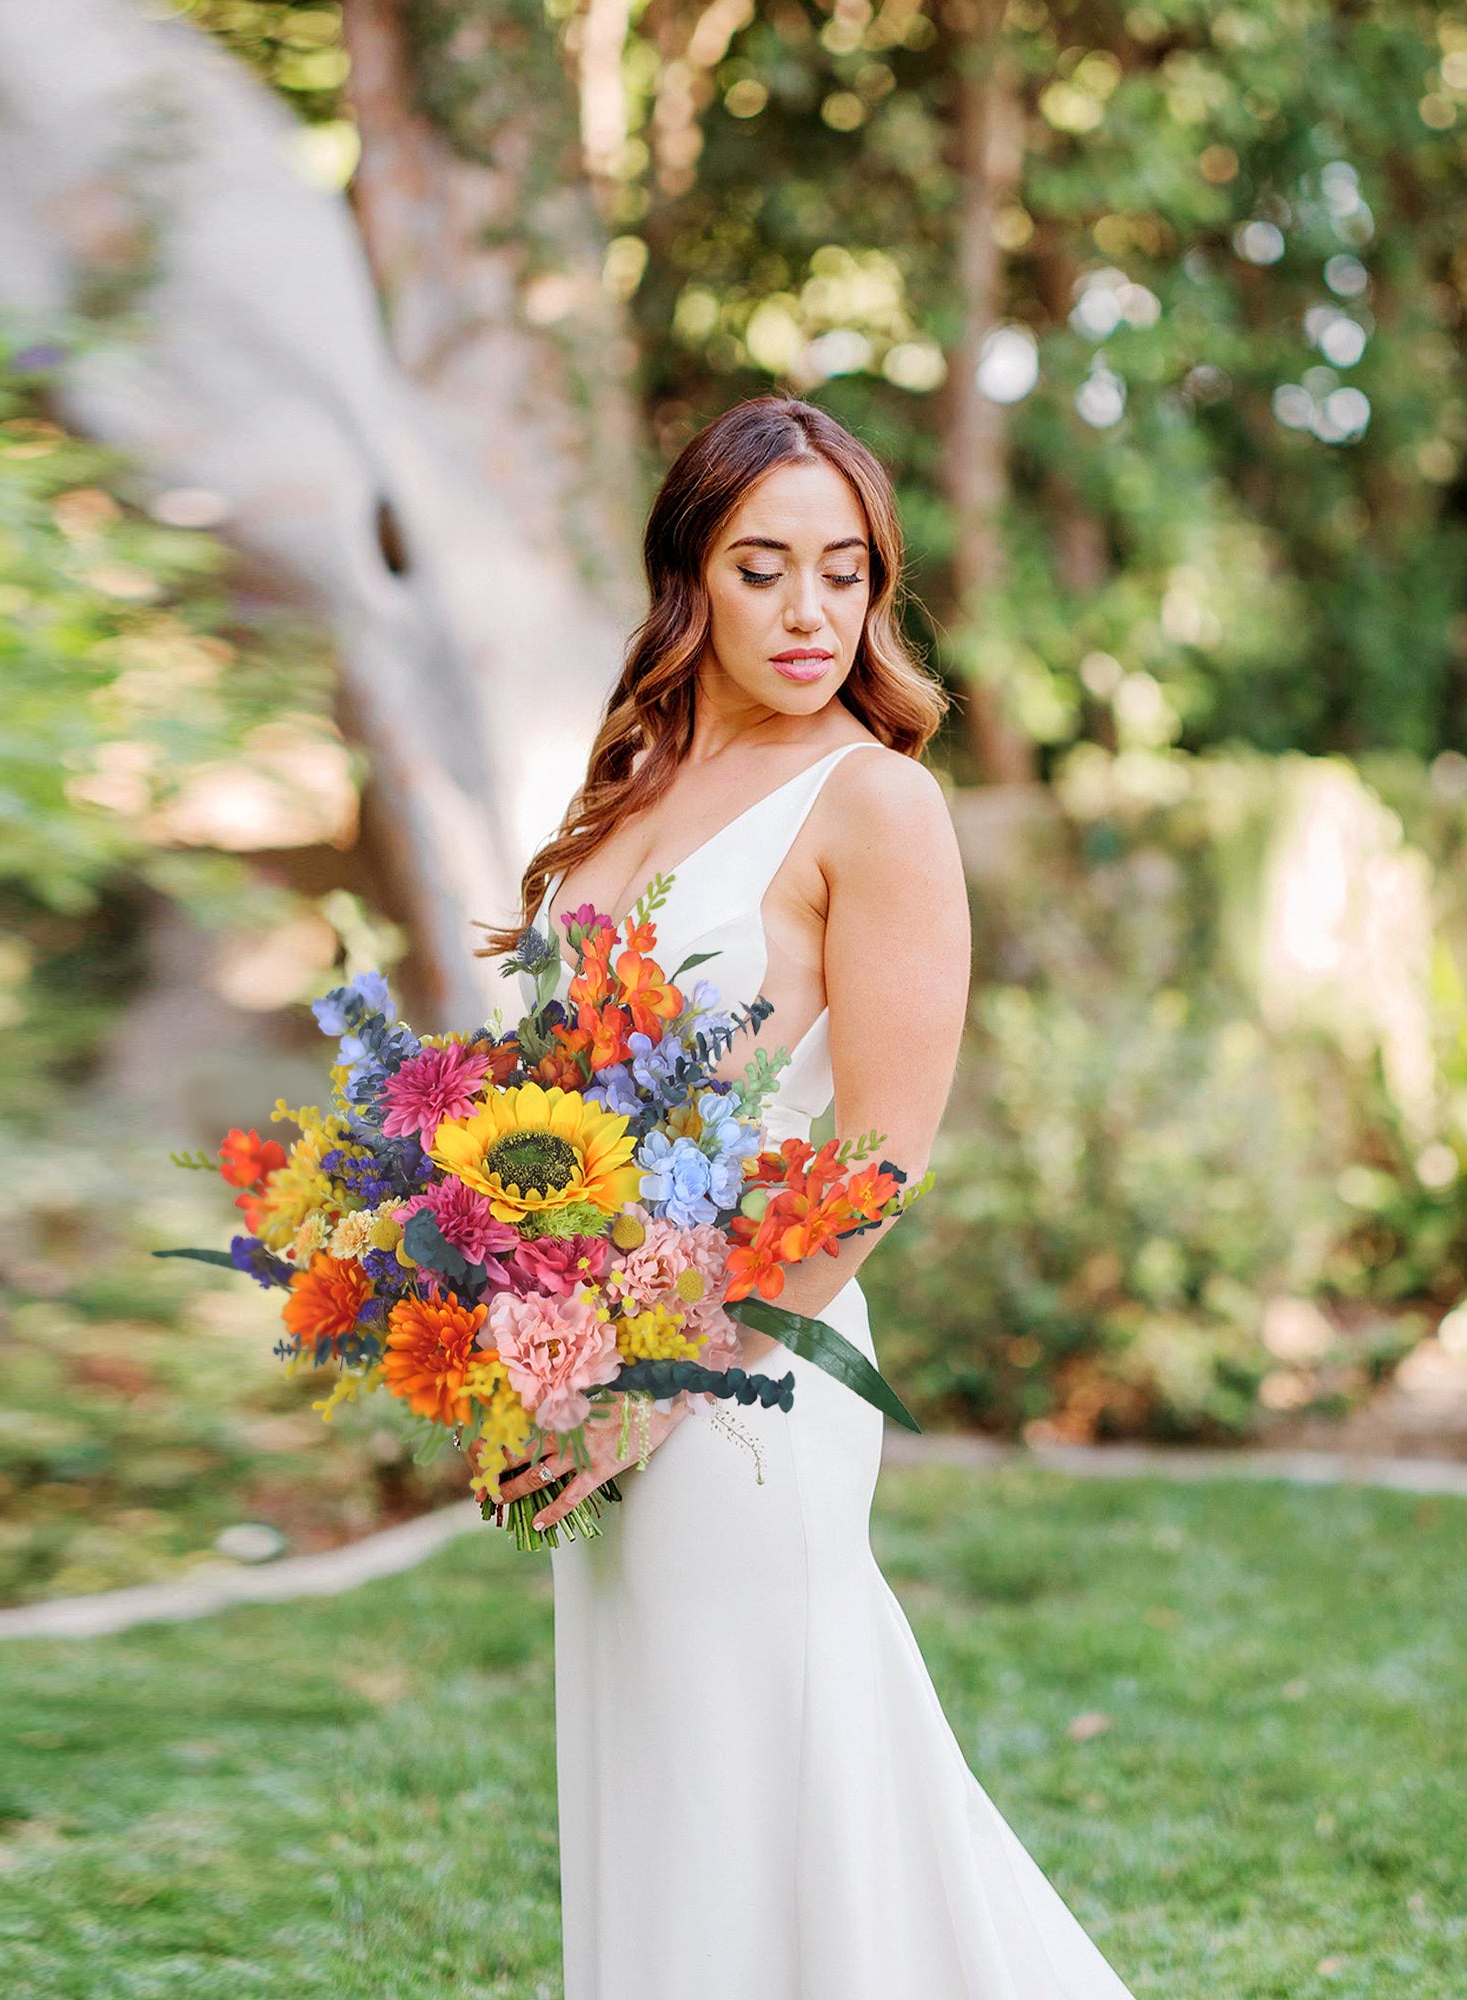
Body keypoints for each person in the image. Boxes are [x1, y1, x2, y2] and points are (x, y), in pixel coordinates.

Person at [483, 397, 1138, 1999]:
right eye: (762, 567)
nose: (809, 613)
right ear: (688, 582)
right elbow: (540, 1109)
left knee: (783, 1791)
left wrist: (659, 1382)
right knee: (663, 1800)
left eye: (843, 572)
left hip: (745, 1384)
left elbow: (873, 1166)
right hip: (595, 1371)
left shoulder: (879, 805)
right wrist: (521, 1342)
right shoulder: (634, 789)